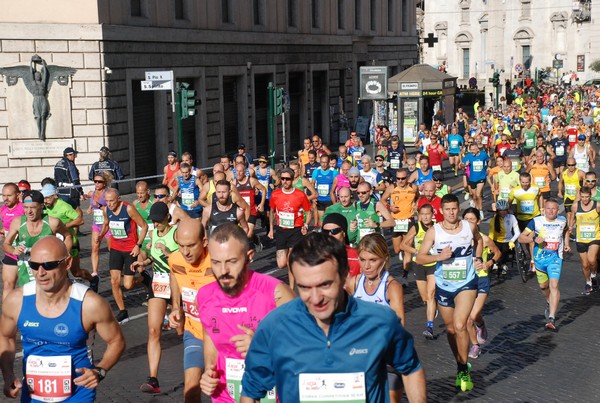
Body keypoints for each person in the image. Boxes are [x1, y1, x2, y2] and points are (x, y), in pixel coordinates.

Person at [240, 232, 427, 402]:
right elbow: (250, 391)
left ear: (345, 274)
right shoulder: (275, 326)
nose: (315, 298)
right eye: (304, 287)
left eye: (325, 285)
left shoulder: (380, 321)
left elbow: (410, 368)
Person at [0, 236, 125, 402]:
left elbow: (117, 341)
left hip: (78, 393)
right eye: (34, 265)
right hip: (33, 394)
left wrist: (100, 370)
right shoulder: (16, 300)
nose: (41, 273)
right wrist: (8, 376)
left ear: (67, 263)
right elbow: (6, 337)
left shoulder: (90, 304)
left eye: (49, 265)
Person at [198, 223, 296, 401]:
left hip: (272, 394)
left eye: (232, 261)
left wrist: (263, 349)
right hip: (225, 395)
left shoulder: (277, 293)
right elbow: (210, 337)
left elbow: (306, 346)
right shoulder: (204, 296)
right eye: (216, 262)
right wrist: (208, 371)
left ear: (249, 257)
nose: (223, 271)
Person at [416, 193, 484, 392]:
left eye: (454, 209)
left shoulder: (469, 227)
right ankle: (460, 363)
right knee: (451, 329)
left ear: (459, 209)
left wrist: (477, 257)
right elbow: (420, 257)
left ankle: (463, 368)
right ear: (442, 211)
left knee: (460, 324)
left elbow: (479, 240)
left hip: (467, 282)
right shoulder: (434, 232)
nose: (451, 212)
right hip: (444, 285)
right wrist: (439, 256)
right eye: (447, 209)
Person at [347, 233, 406, 403]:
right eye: (362, 259)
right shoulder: (355, 282)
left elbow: (399, 325)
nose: (366, 266)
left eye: (372, 260)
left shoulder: (391, 287)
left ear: (385, 258)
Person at [167, 219, 216, 402]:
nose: (185, 252)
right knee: (191, 388)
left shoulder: (218, 260)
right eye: (180, 245)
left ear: (204, 242)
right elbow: (174, 273)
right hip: (194, 332)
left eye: (190, 246)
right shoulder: (175, 259)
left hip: (221, 336)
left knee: (220, 391)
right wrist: (176, 307)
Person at [132, 202, 179, 394]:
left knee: (184, 332)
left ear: (167, 218)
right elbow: (153, 258)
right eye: (154, 221)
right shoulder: (152, 234)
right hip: (159, 285)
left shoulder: (176, 233)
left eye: (159, 221)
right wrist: (142, 262)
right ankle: (153, 379)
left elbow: (187, 257)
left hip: (178, 285)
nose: (156, 224)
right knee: (153, 331)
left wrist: (168, 253)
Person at [97, 188, 149, 323]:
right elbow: (106, 224)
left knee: (128, 285)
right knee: (114, 281)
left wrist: (138, 245)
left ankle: (144, 278)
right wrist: (101, 235)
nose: (109, 204)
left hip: (130, 249)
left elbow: (144, 226)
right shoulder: (106, 210)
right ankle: (122, 311)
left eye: (111, 201)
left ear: (118, 199)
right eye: (107, 201)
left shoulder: (129, 209)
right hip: (115, 248)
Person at [2, 190, 72, 288]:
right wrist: (13, 250)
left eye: (33, 207)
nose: (29, 211)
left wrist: (64, 254)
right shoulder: (17, 222)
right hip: (26, 270)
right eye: (25, 207)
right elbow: (6, 244)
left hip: (48, 268)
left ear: (41, 206)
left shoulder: (53, 223)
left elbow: (68, 236)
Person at [518, 198, 570, 331]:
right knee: (543, 286)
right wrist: (534, 238)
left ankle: (552, 318)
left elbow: (566, 231)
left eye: (554, 209)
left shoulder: (562, 221)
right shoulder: (536, 221)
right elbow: (521, 237)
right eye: (548, 208)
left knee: (554, 285)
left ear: (558, 210)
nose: (551, 211)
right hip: (540, 259)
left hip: (555, 258)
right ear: (544, 210)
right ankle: (549, 301)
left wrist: (567, 244)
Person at [40, 184, 97, 291]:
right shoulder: (44, 208)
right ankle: (65, 294)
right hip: (54, 244)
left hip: (70, 242)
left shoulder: (64, 206)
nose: (45, 201)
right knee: (60, 270)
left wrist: (62, 227)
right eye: (44, 198)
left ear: (55, 196)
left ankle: (93, 279)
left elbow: (80, 220)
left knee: (76, 272)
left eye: (48, 197)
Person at [462, 208, 501, 360]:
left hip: (481, 280)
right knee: (467, 318)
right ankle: (475, 345)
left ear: (478, 221)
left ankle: (480, 325)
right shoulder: (460, 239)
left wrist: (489, 263)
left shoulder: (484, 239)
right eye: (466, 219)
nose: (468, 222)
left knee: (472, 316)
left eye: (472, 219)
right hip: (465, 280)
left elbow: (497, 253)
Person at [268, 168, 312, 288]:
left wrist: (306, 225)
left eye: (287, 179)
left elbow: (309, 212)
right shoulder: (275, 194)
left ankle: (292, 289)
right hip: (281, 230)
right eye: (282, 179)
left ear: (292, 180)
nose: (285, 181)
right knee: (282, 264)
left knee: (291, 261)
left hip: (296, 230)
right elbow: (271, 212)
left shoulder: (300, 194)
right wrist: (271, 229)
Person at [401, 203, 437, 339]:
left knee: (431, 294)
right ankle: (432, 307)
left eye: (428, 214)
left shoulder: (437, 227)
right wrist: (417, 251)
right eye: (422, 214)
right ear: (419, 216)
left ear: (432, 214)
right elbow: (402, 245)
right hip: (419, 264)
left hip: (433, 263)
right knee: (425, 298)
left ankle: (430, 326)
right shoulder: (416, 227)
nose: (425, 217)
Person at [381, 168, 418, 271]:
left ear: (407, 178)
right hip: (396, 221)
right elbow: (383, 200)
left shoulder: (413, 188)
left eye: (403, 178)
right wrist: (389, 207)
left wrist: (416, 205)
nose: (400, 181)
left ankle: (405, 275)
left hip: (409, 220)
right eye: (398, 178)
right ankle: (402, 251)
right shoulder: (392, 188)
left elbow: (418, 197)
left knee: (407, 248)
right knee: (397, 249)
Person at [568, 187, 600, 295]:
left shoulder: (597, 205)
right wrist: (570, 227)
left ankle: (594, 274)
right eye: (582, 197)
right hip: (581, 238)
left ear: (590, 196)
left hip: (595, 237)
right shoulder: (576, 205)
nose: (585, 199)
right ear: (580, 196)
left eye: (587, 197)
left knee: (592, 259)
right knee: (585, 264)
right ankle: (588, 281)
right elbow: (572, 217)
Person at [86, 172, 113, 279]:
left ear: (105, 183)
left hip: (107, 225)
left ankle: (115, 268)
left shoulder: (108, 194)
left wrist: (101, 206)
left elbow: (112, 208)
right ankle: (95, 272)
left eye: (99, 182)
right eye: (95, 181)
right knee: (95, 248)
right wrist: (90, 207)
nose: (97, 184)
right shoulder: (92, 193)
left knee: (112, 249)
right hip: (96, 224)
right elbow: (92, 202)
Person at [1, 183, 24, 300]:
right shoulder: (3, 209)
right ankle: (6, 315)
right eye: (3, 195)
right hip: (10, 252)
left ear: (18, 195)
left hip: (25, 253)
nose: (5, 198)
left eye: (9, 195)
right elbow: (6, 228)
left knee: (27, 287)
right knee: (8, 285)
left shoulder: (25, 208)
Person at [488, 199, 521, 277]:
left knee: (506, 250)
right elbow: (491, 234)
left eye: (504, 210)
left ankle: (503, 263)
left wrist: (512, 240)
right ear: (497, 211)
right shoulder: (493, 220)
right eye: (500, 210)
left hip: (508, 240)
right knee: (497, 250)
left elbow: (517, 232)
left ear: (507, 210)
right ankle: (496, 262)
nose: (503, 212)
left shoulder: (512, 217)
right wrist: (489, 244)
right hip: (496, 241)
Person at [322, 212, 360, 277]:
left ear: (344, 233)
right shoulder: (317, 256)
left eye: (334, 231)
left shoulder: (357, 257)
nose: (330, 235)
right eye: (326, 232)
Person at [54, 147, 85, 215]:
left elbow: (55, 179)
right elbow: (75, 180)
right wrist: (80, 193)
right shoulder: (70, 165)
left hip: (61, 193)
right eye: (74, 155)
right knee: (77, 214)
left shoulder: (57, 164)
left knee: (64, 213)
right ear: (69, 155)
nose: (75, 157)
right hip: (71, 194)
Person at [461, 143, 490, 215]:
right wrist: (465, 165)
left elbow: (488, 160)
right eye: (471, 150)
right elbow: (461, 165)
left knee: (478, 194)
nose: (472, 151)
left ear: (477, 149)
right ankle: (477, 208)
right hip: (472, 178)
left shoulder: (483, 154)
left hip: (481, 177)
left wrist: (488, 166)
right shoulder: (469, 156)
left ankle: (480, 210)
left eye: (473, 150)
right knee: (474, 196)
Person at [311, 153, 338, 226]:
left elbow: (337, 185)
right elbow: (312, 184)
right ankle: (321, 233)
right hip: (320, 199)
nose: (324, 164)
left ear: (329, 162)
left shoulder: (334, 172)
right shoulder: (316, 171)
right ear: (320, 162)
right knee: (321, 218)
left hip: (329, 199)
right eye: (322, 162)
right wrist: (313, 197)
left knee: (327, 217)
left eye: (326, 162)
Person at [558, 157, 585, 224]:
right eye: (569, 165)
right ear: (567, 165)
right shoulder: (563, 173)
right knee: (568, 214)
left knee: (575, 214)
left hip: (577, 197)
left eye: (573, 165)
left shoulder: (580, 173)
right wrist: (559, 191)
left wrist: (583, 192)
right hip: (568, 197)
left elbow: (586, 181)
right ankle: (570, 230)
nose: (571, 167)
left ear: (575, 164)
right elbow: (560, 182)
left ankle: (571, 227)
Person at [133, 180, 155, 252]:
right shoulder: (135, 203)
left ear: (148, 191)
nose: (140, 196)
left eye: (142, 193)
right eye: (138, 193)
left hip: (153, 240)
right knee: (139, 262)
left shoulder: (154, 202)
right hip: (141, 240)